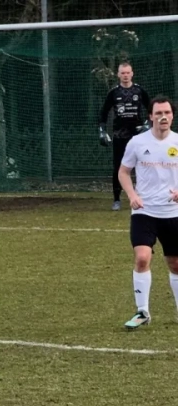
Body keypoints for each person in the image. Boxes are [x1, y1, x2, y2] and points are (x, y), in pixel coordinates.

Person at [117, 96, 178, 329]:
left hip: (173, 213)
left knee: (175, 264)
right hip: (145, 212)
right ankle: (142, 312)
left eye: (167, 113)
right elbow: (124, 172)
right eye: (158, 113)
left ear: (172, 116)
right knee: (142, 258)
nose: (163, 117)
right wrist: (132, 195)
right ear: (151, 116)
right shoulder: (137, 142)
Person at [99, 62, 151, 211]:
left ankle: (143, 196)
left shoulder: (139, 91)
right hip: (120, 135)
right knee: (118, 167)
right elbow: (103, 113)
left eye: (128, 72)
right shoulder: (114, 92)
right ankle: (116, 199)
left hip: (138, 135)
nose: (125, 75)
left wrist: (148, 124)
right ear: (118, 74)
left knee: (143, 165)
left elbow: (152, 109)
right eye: (123, 73)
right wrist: (102, 130)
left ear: (132, 73)